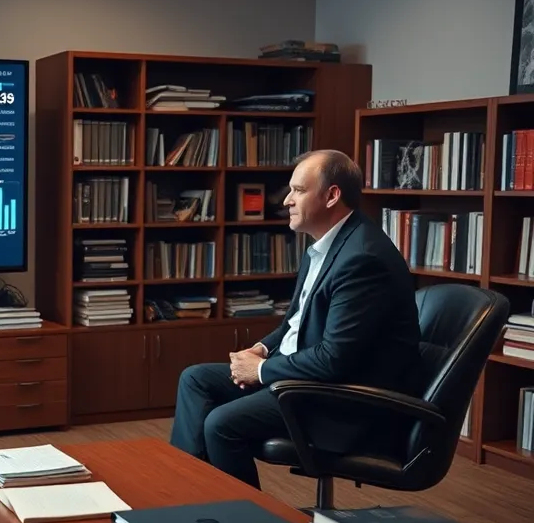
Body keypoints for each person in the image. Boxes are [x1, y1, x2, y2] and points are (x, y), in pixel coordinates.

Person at [169, 149, 420, 488]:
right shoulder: (323, 246)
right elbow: (295, 322)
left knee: (221, 423)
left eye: (298, 190)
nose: (287, 200)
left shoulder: (362, 259)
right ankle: (185, 491)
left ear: (332, 196)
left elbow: (334, 360)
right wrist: (261, 349)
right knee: (195, 379)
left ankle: (247, 519)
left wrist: (260, 370)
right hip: (305, 377)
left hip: (340, 399)